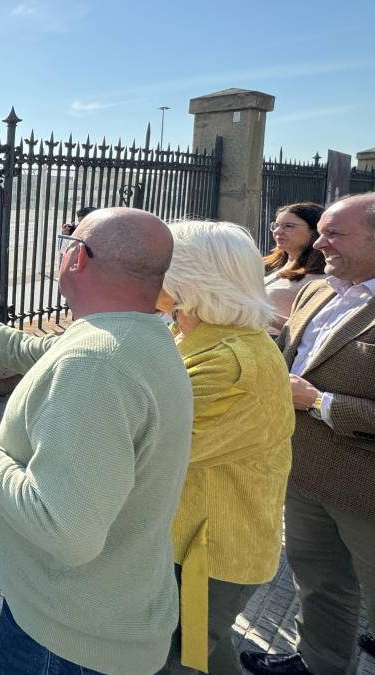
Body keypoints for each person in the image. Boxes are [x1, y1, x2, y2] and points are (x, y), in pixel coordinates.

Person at [0, 207, 193, 675]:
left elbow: (63, 532)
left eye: (68, 241)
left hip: (65, 640)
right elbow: (25, 348)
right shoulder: (132, 336)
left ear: (78, 258)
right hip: (103, 617)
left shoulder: (96, 364)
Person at [242, 192, 375, 675]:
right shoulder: (317, 291)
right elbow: (285, 356)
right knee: (320, 583)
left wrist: (321, 403)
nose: (319, 244)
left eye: (334, 234)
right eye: (319, 233)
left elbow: (308, 390)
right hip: (302, 473)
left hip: (365, 491)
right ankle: (319, 665)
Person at [153, 221, 294, 674]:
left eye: (154, 265)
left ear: (188, 280)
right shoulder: (204, 336)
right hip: (195, 542)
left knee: (179, 659)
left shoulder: (229, 363)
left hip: (206, 554)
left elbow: (145, 447)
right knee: (206, 654)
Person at [263, 202, 327, 337]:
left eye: (288, 226)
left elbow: (313, 330)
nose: (277, 231)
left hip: (280, 345)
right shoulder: (274, 266)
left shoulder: (324, 278)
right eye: (276, 225)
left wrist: (258, 312)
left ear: (315, 230)